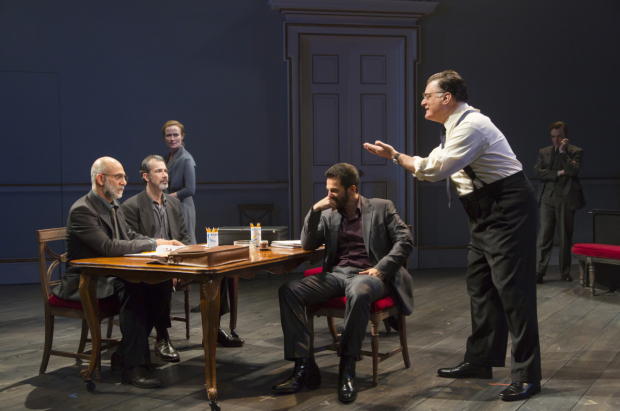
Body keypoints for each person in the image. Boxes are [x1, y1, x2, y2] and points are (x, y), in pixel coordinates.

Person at [363, 70, 542, 401]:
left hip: (507, 210)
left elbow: (435, 169)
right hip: (484, 211)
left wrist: (396, 157)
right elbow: (434, 161)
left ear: (446, 97)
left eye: (427, 96)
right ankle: (481, 360)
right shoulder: (454, 127)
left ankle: (528, 375)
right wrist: (398, 157)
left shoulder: (472, 126)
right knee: (480, 286)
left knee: (514, 292)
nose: (422, 102)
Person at [273, 163, 414, 403]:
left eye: (334, 191)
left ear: (352, 189)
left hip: (370, 275)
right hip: (337, 274)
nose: (329, 195)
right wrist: (314, 210)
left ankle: (347, 369)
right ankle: (304, 366)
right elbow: (308, 244)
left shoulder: (381, 207)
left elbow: (405, 241)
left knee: (358, 292)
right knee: (289, 291)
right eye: (328, 190)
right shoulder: (329, 213)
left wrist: (381, 269)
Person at [52, 157, 184, 388]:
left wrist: (161, 244)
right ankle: (134, 368)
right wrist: (153, 244)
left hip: (109, 275)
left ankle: (124, 353)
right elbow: (108, 247)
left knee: (160, 281)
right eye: (119, 177)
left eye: (124, 177)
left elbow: (129, 236)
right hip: (87, 280)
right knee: (132, 285)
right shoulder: (83, 210)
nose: (124, 182)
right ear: (101, 179)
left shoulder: (113, 205)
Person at [122, 155, 244, 348]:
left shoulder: (173, 203)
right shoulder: (132, 206)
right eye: (158, 171)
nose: (165, 175)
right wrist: (167, 261)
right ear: (146, 176)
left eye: (165, 171)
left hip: (178, 261)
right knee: (162, 280)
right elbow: (132, 241)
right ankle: (162, 337)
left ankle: (214, 330)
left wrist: (181, 264)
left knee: (218, 270)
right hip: (152, 264)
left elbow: (184, 237)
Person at [533, 122, 585, 284]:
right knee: (544, 235)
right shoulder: (544, 152)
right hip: (547, 198)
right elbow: (537, 172)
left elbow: (573, 171)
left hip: (566, 198)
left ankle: (565, 272)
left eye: (559, 136)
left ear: (566, 136)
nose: (556, 140)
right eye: (553, 137)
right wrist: (558, 173)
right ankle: (538, 272)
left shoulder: (575, 151)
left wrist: (563, 153)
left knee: (565, 236)